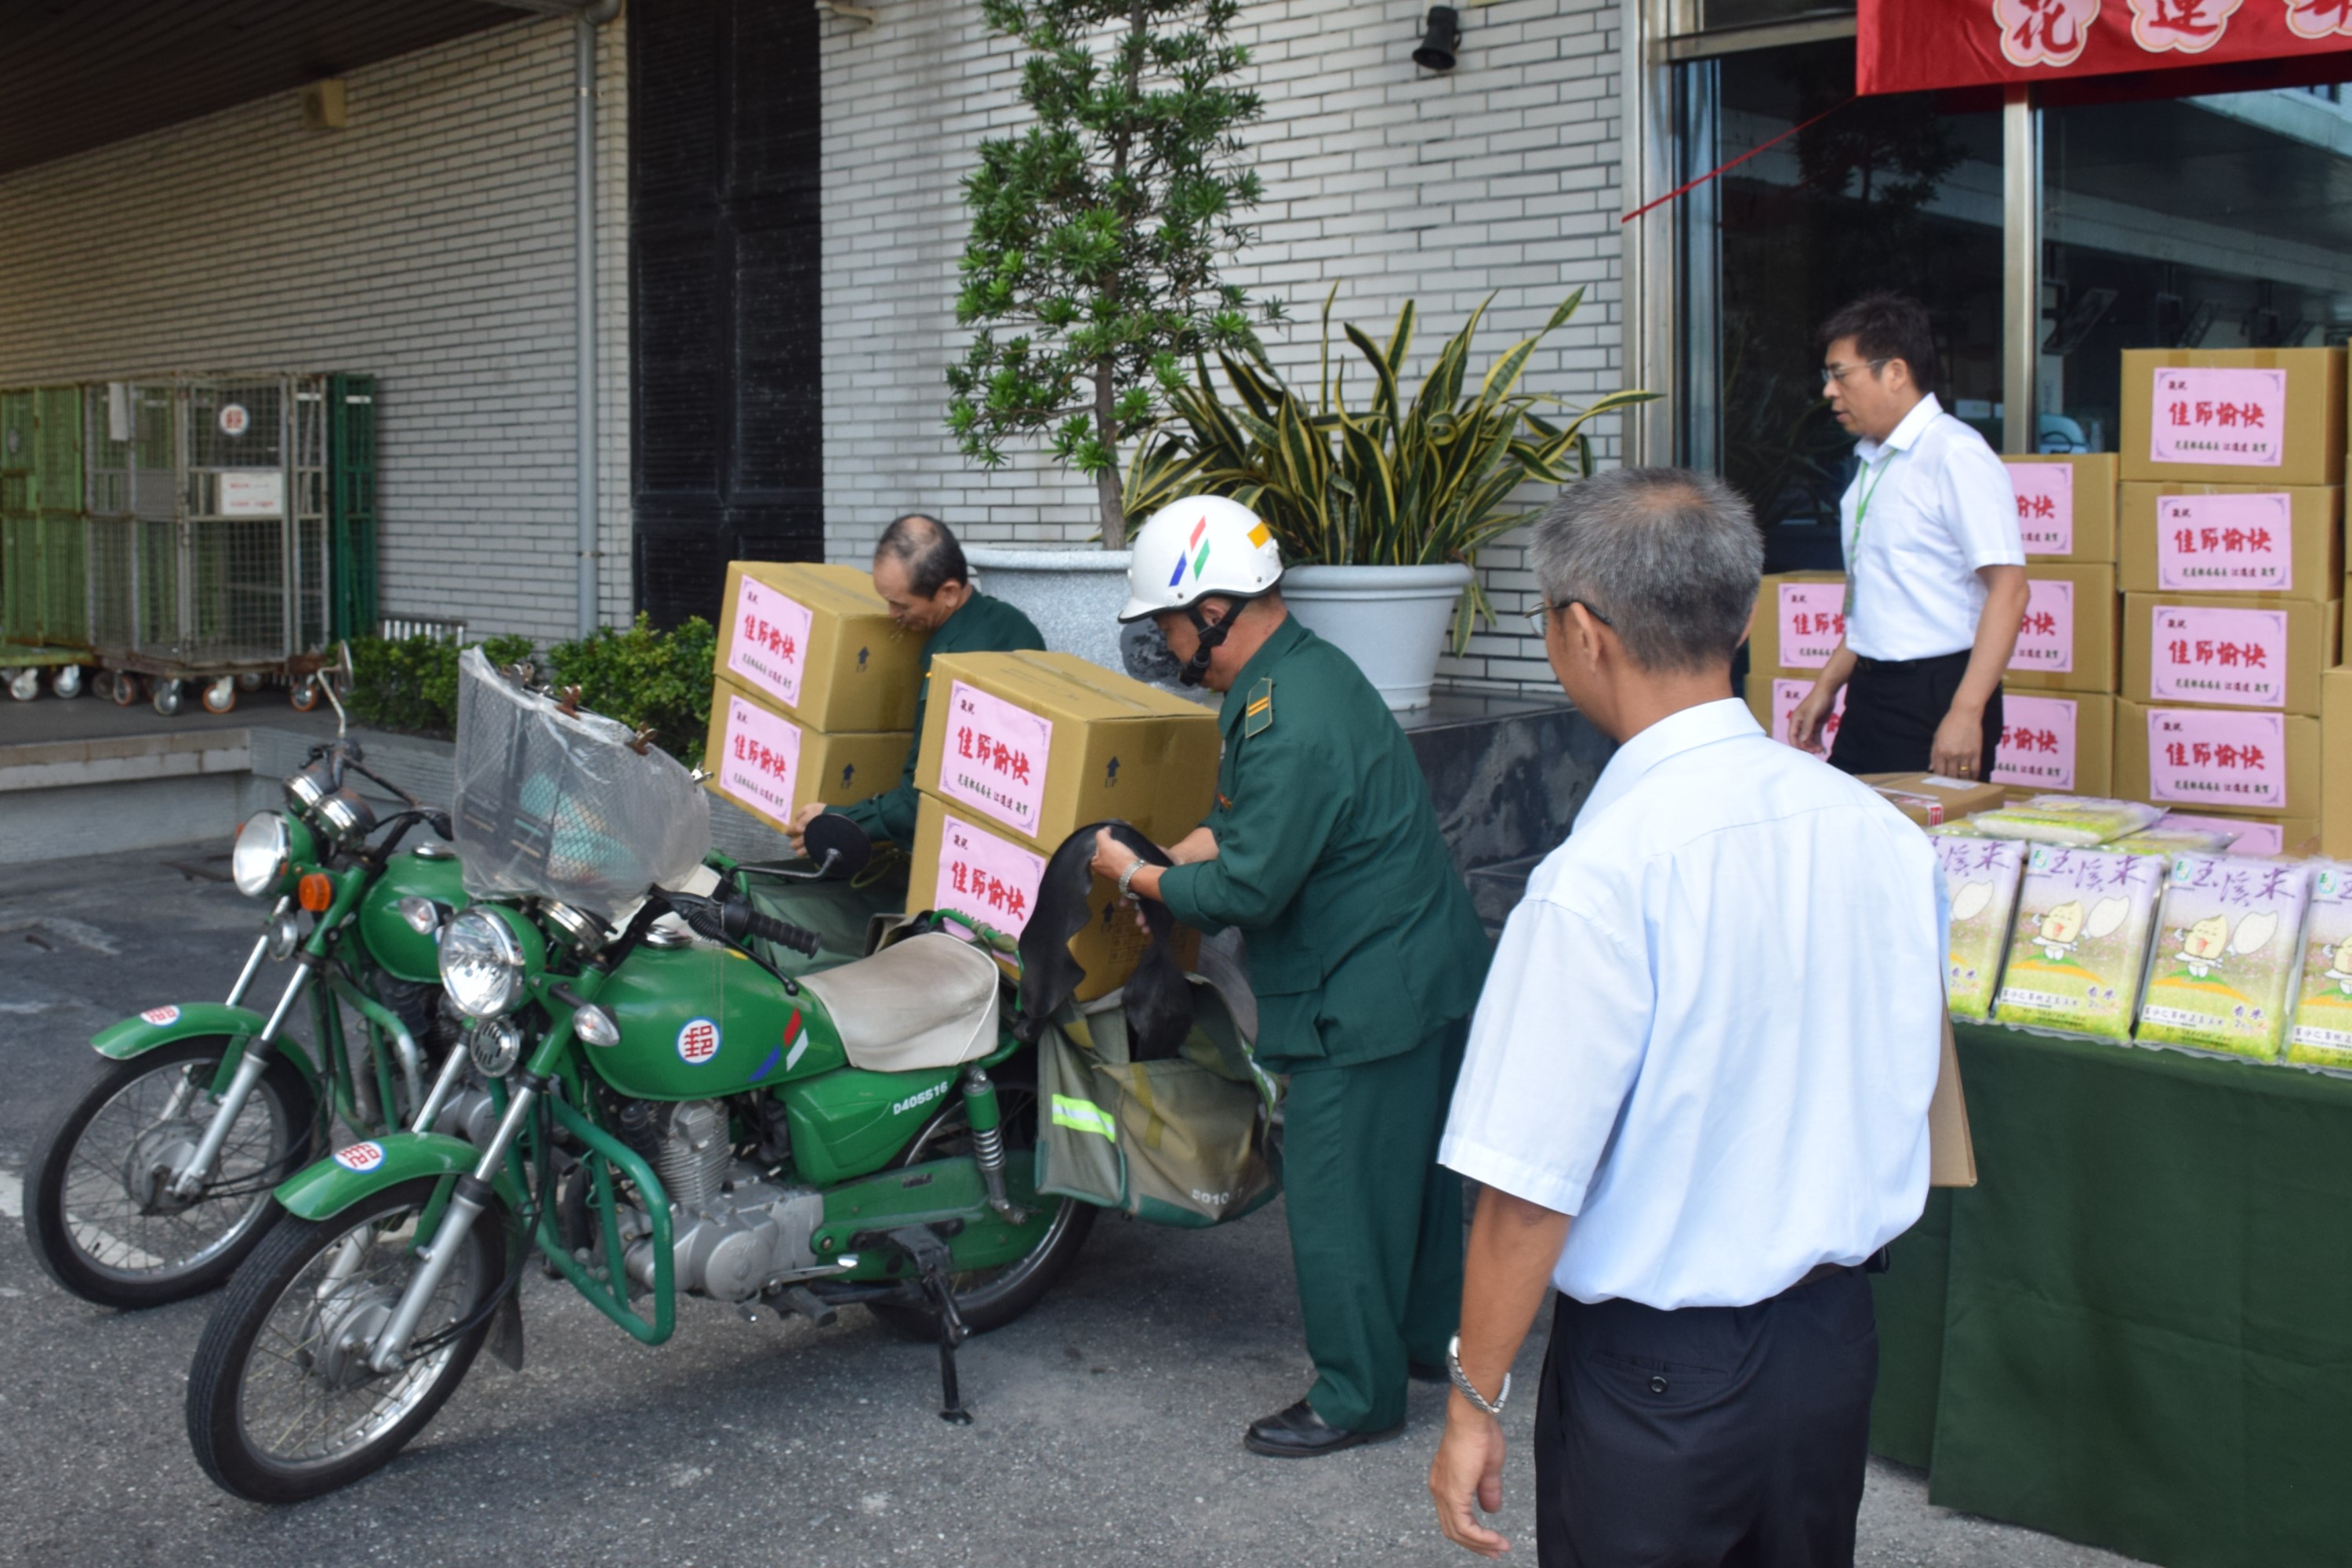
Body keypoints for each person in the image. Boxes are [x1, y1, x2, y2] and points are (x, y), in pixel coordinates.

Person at [1428, 469, 1946, 1565]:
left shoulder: (1598, 880)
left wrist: (1476, 1398)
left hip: (1660, 1382)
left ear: (1581, 632)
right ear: (1746, 615)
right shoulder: (1882, 834)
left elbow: (1525, 1190)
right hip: (1831, 1342)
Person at [1086, 495, 1491, 1460]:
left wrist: (1138, 874)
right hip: (1423, 967)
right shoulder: (1296, 676)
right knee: (1418, 1179)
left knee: (1339, 1192)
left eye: (1169, 621)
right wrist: (1190, 857)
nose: (1165, 640)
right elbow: (1257, 820)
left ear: (1215, 609)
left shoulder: (1284, 713)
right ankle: (1430, 1342)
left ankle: (1356, 1393)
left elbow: (1256, 883)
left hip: (1363, 988)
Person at [1789, 292, 2027, 781]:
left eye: (1841, 374)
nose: (1830, 392)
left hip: (1937, 692)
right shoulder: (1873, 461)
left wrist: (1966, 712)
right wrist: (1827, 686)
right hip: (1871, 687)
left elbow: (2010, 588)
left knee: (1930, 850)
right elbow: (1880, 598)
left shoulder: (1955, 455)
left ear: (1894, 372)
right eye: (1827, 377)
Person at [786, 513, 1044, 855]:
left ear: (949, 592)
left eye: (900, 604)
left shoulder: (958, 666)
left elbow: (922, 800)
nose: (891, 615)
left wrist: (837, 819)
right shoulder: (1008, 622)